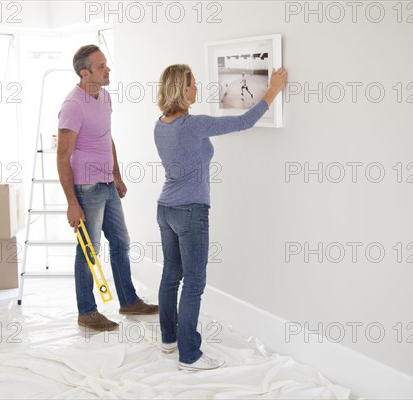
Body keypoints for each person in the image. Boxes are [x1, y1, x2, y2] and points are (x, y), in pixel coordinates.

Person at [154, 64, 287, 370]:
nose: (196, 89)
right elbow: (243, 122)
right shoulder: (193, 124)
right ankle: (189, 355)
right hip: (191, 211)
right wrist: (273, 90)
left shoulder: (160, 124)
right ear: (182, 89)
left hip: (165, 209)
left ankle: (169, 338)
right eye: (193, 84)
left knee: (171, 276)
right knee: (194, 283)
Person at [57, 44, 158, 332]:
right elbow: (63, 155)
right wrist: (71, 202)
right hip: (86, 187)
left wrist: (116, 173)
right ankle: (87, 311)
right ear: (85, 72)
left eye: (106, 65)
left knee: (121, 241)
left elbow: (106, 136)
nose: (108, 69)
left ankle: (128, 300)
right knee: (89, 250)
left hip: (107, 183)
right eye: (102, 66)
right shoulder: (72, 106)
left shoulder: (105, 96)